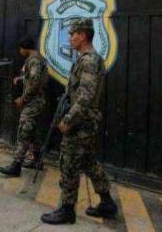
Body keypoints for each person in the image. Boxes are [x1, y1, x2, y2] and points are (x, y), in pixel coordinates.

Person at [41, 18, 117, 225]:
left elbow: (86, 96)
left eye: (72, 34)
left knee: (69, 163)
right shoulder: (85, 59)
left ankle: (67, 210)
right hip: (84, 121)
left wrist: (68, 120)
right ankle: (107, 202)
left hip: (80, 123)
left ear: (82, 35)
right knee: (88, 161)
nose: (69, 37)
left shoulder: (90, 60)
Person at [0, 35, 48, 177]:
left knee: (24, 132)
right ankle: (37, 160)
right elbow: (32, 78)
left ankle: (16, 165)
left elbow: (35, 82)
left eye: (21, 48)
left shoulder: (34, 61)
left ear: (25, 48)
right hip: (37, 102)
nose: (20, 51)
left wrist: (23, 99)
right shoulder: (38, 59)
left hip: (32, 102)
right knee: (33, 132)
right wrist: (20, 78)